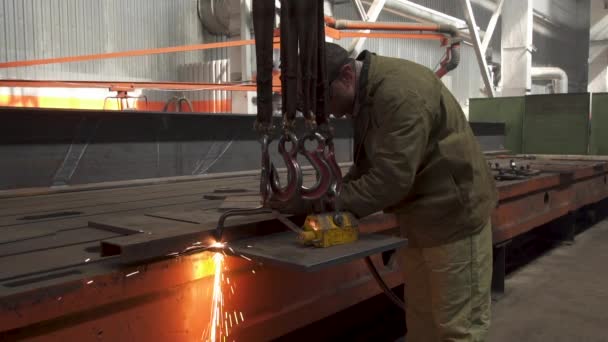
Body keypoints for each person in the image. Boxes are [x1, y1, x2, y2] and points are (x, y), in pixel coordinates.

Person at [325, 43, 498, 341]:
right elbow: (371, 164)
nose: (326, 110)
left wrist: (330, 201)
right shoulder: (368, 96)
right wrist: (331, 193)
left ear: (346, 76)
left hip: (454, 222)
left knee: (458, 330)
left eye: (325, 98)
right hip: (418, 223)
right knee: (422, 326)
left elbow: (390, 179)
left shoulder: (400, 93)